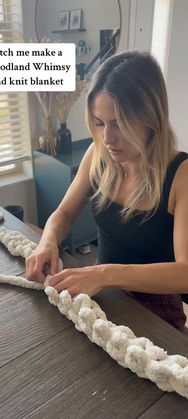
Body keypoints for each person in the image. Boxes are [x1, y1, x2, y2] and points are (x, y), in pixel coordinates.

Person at [26, 51, 188, 333]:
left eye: (119, 124)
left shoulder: (181, 175)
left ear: (151, 118)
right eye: (99, 123)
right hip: (103, 294)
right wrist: (48, 241)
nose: (107, 138)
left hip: (155, 311)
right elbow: (63, 213)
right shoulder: (98, 154)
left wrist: (106, 273)